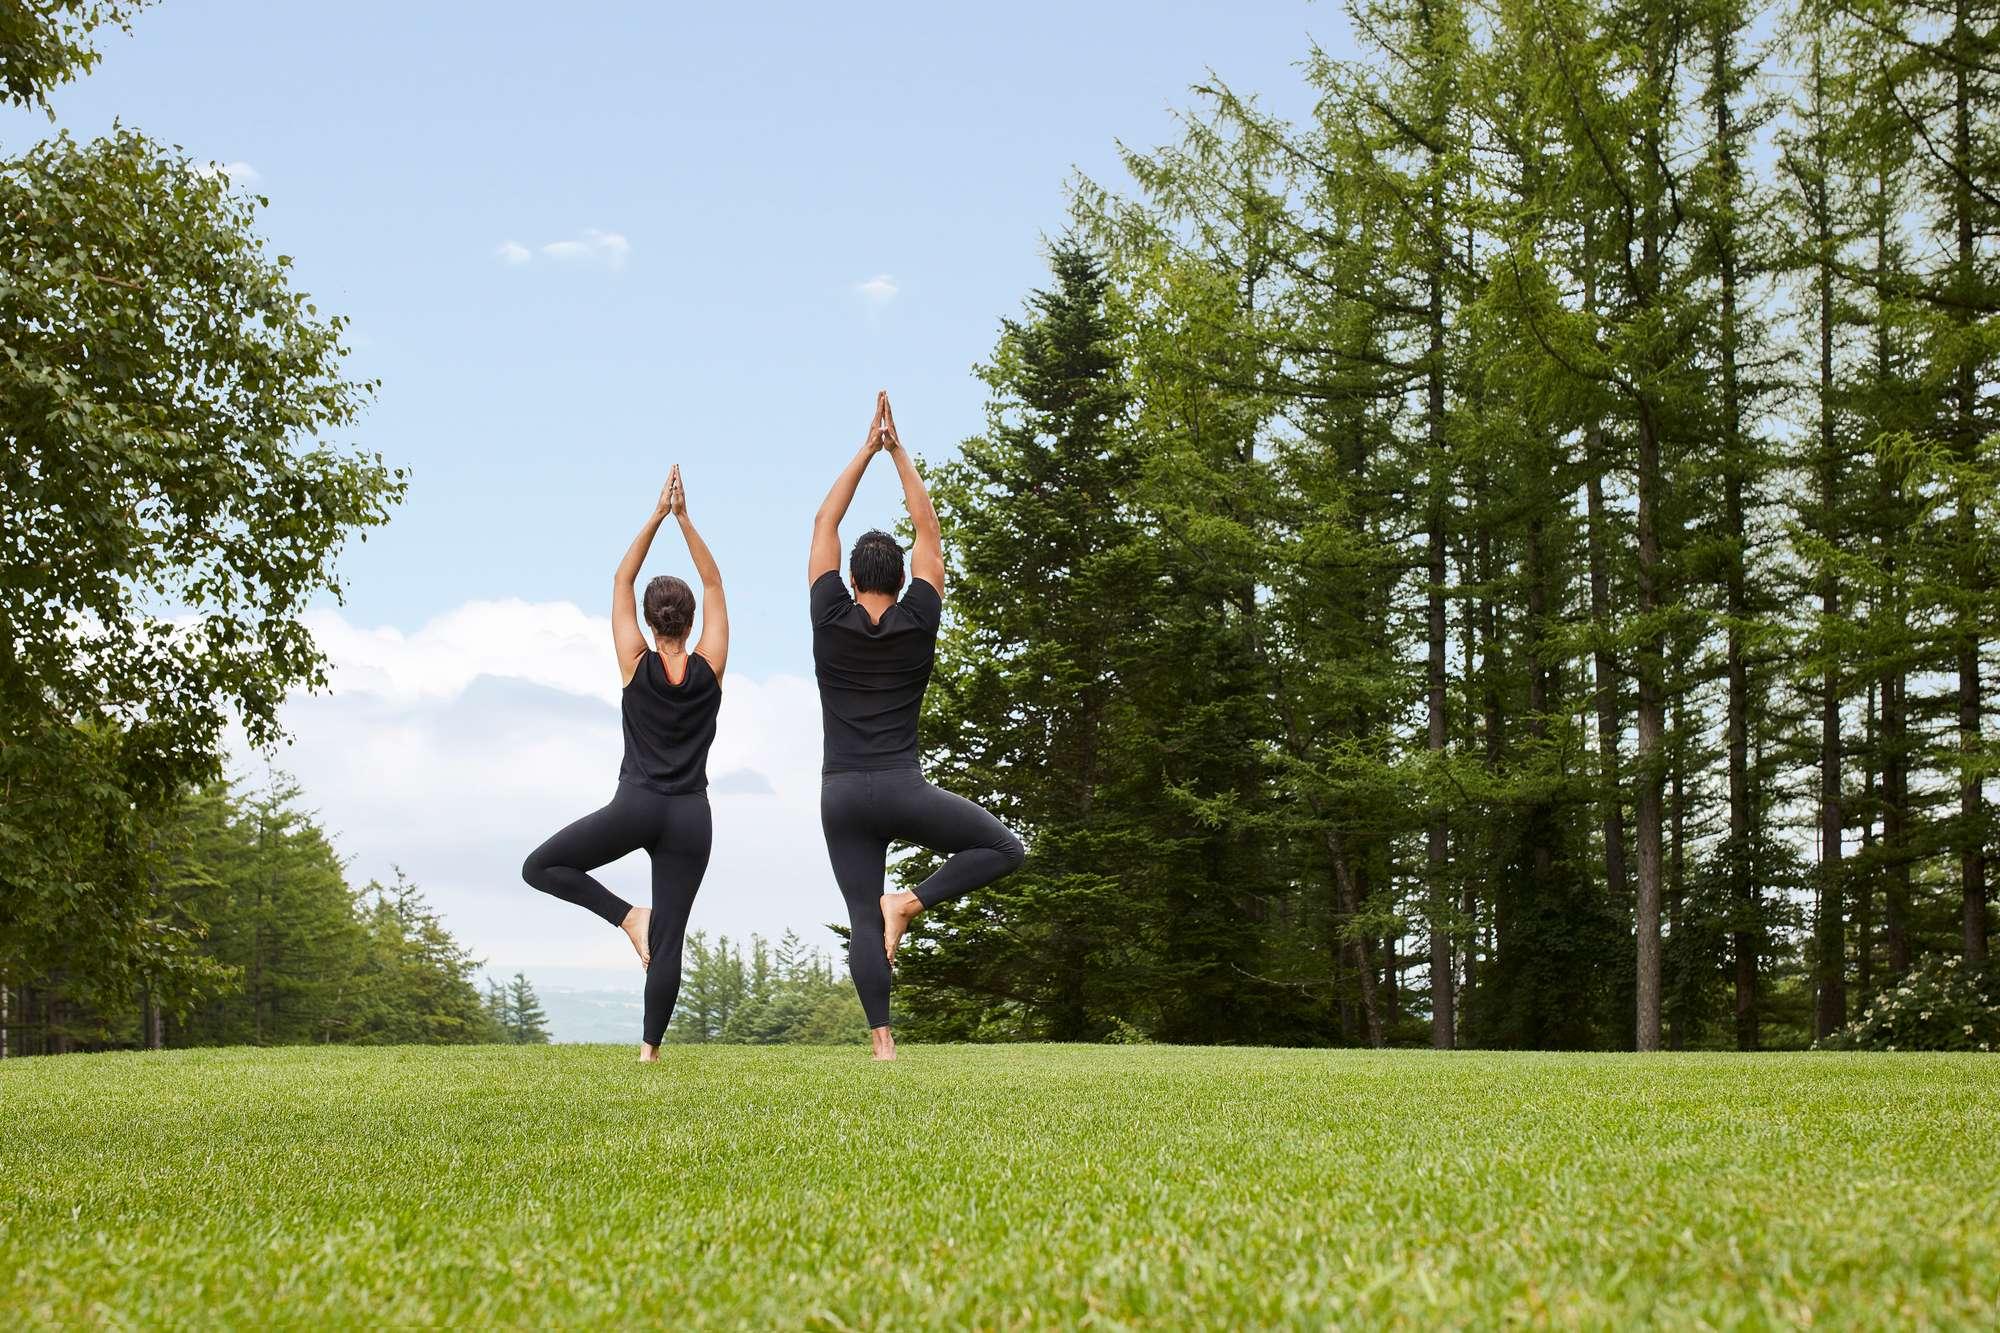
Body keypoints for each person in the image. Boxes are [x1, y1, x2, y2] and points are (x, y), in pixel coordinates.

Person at [810, 391, 1025, 1060]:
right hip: (902, 786)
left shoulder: (828, 615)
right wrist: (899, 451)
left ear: (848, 576)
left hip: (843, 793)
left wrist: (863, 450)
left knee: (858, 912)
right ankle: (911, 902)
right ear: (903, 579)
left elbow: (825, 518)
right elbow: (929, 531)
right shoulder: (918, 617)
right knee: (1005, 849)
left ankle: (882, 1042)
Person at [521, 466, 728, 1062]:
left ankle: (627, 917)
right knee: (672, 940)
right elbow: (714, 584)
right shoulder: (710, 665)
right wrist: (686, 519)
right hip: (691, 816)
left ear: (649, 619)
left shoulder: (633, 660)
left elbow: (621, 577)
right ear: (688, 623)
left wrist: (658, 515)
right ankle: (649, 1054)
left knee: (541, 867)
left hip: (635, 806)